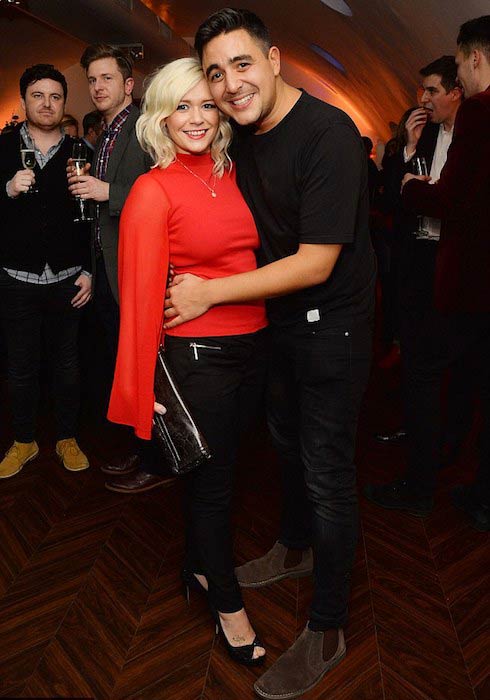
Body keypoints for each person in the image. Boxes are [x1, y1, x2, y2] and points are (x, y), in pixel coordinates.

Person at [164, 9, 376, 699]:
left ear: (276, 59)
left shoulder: (329, 134)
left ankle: (329, 626)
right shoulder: (247, 139)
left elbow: (316, 262)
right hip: (281, 325)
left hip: (334, 327)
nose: (230, 84)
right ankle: (293, 547)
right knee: (283, 444)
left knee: (326, 471)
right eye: (216, 73)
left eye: (242, 64)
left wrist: (208, 294)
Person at [108, 57, 268, 665]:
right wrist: (144, 382)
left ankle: (197, 567)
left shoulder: (232, 171)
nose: (197, 118)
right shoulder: (153, 189)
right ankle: (228, 607)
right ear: (160, 116)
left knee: (230, 469)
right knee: (213, 485)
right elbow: (141, 297)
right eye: (182, 106)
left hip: (254, 344)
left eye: (207, 104)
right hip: (197, 356)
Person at [366, 16, 490, 532]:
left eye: (459, 64)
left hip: (463, 280)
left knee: (426, 377)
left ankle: (419, 487)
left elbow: (451, 200)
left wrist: (416, 184)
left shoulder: (481, 114)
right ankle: (477, 494)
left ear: (475, 59)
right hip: (458, 279)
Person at [69, 44, 166, 492]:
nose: (98, 87)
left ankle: (157, 458)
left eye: (107, 78)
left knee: (145, 361)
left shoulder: (146, 127)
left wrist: (109, 191)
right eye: (92, 80)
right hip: (108, 265)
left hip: (136, 265)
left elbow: (162, 187)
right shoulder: (105, 133)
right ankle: (137, 444)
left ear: (129, 85)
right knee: (122, 362)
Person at [0, 63, 92, 478]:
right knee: (20, 366)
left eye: (55, 97)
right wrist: (6, 189)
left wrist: (90, 271)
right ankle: (24, 441)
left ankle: (67, 438)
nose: (47, 103)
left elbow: (97, 221)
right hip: (17, 279)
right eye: (38, 95)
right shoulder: (1, 149)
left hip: (68, 280)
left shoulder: (81, 153)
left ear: (63, 104)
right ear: (24, 101)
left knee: (68, 364)